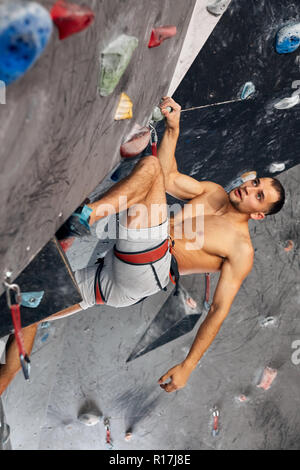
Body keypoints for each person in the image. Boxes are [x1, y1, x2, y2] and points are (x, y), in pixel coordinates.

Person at [0, 97, 285, 395]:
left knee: (148, 167)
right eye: (257, 183)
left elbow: (218, 310)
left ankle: (86, 217)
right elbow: (169, 178)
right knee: (32, 306)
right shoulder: (213, 194)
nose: (250, 189)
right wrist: (173, 129)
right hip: (118, 280)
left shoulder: (242, 250)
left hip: (149, 270)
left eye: (259, 195)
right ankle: (6, 376)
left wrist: (187, 366)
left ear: (258, 214)